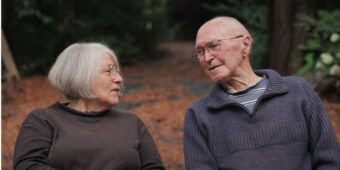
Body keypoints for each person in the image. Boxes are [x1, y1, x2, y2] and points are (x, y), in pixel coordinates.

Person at [183, 16, 340, 170]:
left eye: (214, 46)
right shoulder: (198, 115)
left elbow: (330, 160)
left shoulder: (298, 91)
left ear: (245, 44)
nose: (207, 58)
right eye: (200, 52)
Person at [14, 42, 165, 170]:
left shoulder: (132, 123)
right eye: (109, 71)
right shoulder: (43, 119)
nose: (119, 79)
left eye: (117, 72)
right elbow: (27, 165)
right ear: (81, 75)